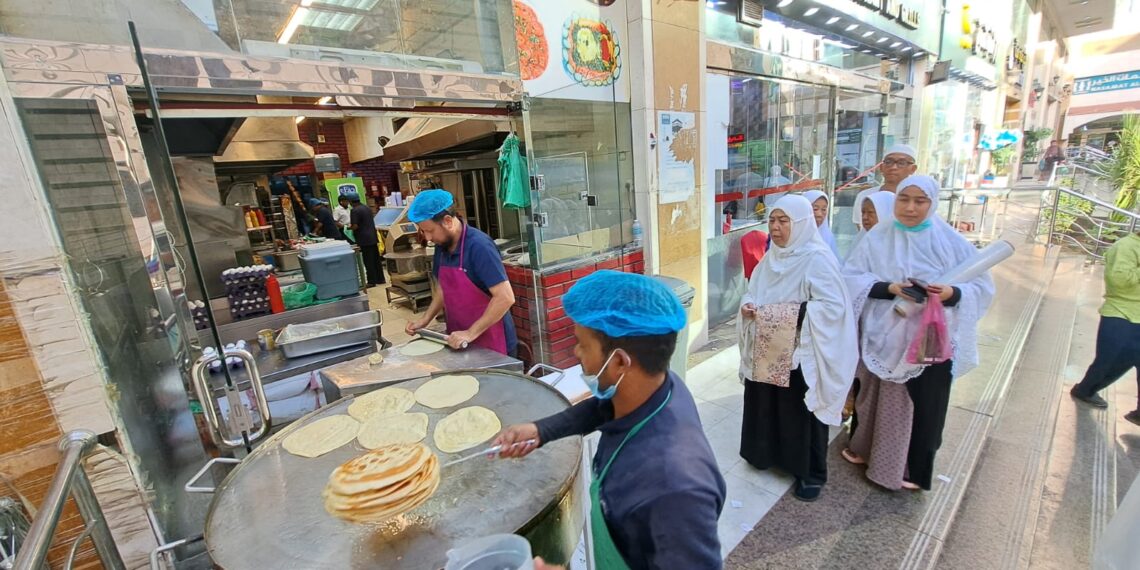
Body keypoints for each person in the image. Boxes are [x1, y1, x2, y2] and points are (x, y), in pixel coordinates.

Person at [495, 271, 725, 569]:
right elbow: (603, 408)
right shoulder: (658, 387)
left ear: (619, 362)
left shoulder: (674, 488)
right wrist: (540, 431)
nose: (575, 352)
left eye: (582, 345)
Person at [842, 175, 995, 491]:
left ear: (933, 203)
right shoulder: (878, 238)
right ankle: (866, 450)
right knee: (874, 398)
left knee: (922, 404)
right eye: (904, 199)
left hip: (928, 340)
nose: (910, 208)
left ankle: (911, 470)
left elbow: (982, 287)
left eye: (919, 201)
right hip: (882, 334)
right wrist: (890, 288)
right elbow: (851, 278)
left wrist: (951, 293)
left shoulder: (950, 243)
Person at [737, 195, 858, 502]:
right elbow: (754, 289)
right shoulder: (772, 257)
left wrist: (788, 312)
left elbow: (833, 307)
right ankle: (767, 455)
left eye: (783, 221)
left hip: (800, 349)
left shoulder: (817, 258)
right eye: (772, 221)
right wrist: (750, 305)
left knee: (800, 410)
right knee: (767, 402)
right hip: (769, 345)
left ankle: (809, 473)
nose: (775, 228)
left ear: (801, 224)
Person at [403, 189, 517, 356]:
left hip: (492, 342)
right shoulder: (442, 246)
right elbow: (444, 288)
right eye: (423, 231)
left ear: (448, 221)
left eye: (430, 230)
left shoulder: (479, 247)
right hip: (458, 338)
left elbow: (505, 297)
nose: (427, 238)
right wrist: (425, 319)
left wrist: (470, 333)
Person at [1070, 229, 1140, 426]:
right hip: (1121, 315)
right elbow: (1119, 282)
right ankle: (1084, 390)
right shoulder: (1125, 246)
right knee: (1109, 362)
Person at [851, 144, 918, 230]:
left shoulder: (917, 199)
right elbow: (862, 229)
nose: (893, 167)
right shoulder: (865, 196)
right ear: (881, 167)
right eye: (888, 162)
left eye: (901, 163)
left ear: (913, 169)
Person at [346, 190, 384, 287]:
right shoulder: (366, 207)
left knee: (368, 260)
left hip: (364, 239)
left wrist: (348, 228)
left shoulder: (354, 210)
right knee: (375, 259)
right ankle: (380, 279)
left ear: (350, 201)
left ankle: (371, 281)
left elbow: (355, 226)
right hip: (372, 236)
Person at [846, 192, 896, 260]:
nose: (864, 217)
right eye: (863, 212)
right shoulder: (860, 242)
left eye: (870, 212)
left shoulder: (897, 246)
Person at [801, 190, 840, 259]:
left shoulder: (828, 236)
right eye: (815, 209)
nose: (819, 214)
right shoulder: (794, 236)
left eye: (824, 209)